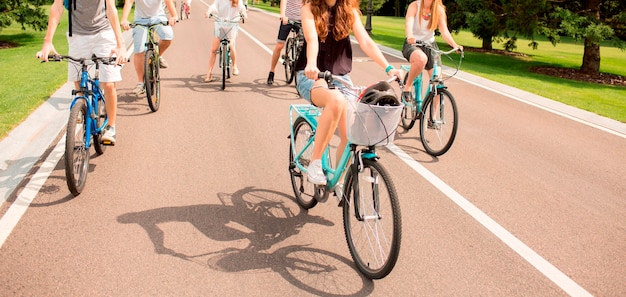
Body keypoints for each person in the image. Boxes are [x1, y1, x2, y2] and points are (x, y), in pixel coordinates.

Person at [294, 0, 402, 186]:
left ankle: (339, 181)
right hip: (312, 76)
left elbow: (365, 41)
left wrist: (389, 68)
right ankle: (315, 162)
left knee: (351, 133)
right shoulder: (309, 8)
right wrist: (312, 63)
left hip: (340, 78)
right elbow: (312, 39)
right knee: (336, 100)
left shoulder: (349, 10)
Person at [37, 0, 127, 145]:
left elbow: (111, 9)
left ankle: (111, 126)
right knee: (78, 78)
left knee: (109, 84)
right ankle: (81, 105)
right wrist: (47, 41)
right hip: (77, 35)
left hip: (103, 33)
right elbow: (57, 7)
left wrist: (120, 44)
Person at [402, 0, 462, 100]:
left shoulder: (439, 10)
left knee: (438, 83)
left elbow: (444, 31)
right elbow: (409, 24)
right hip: (413, 44)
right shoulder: (414, 6)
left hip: (430, 46)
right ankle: (407, 87)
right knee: (421, 59)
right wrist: (410, 36)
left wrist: (454, 45)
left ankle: (433, 115)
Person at [122, 0, 177, 95]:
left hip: (158, 17)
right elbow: (129, 2)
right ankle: (141, 83)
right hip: (140, 19)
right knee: (139, 50)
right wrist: (124, 19)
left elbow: (168, 1)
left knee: (168, 36)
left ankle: (158, 56)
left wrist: (174, 16)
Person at [204, 0, 247, 82]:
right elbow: (214, 6)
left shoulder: (237, 1)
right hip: (220, 24)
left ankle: (234, 66)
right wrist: (208, 12)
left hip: (232, 25)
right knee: (214, 50)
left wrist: (244, 13)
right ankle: (209, 74)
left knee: (231, 45)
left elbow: (242, 7)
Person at [266, 0, 302, 85]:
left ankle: (300, 73)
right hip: (287, 18)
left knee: (304, 45)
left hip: (302, 20)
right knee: (279, 45)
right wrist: (283, 14)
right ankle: (272, 71)